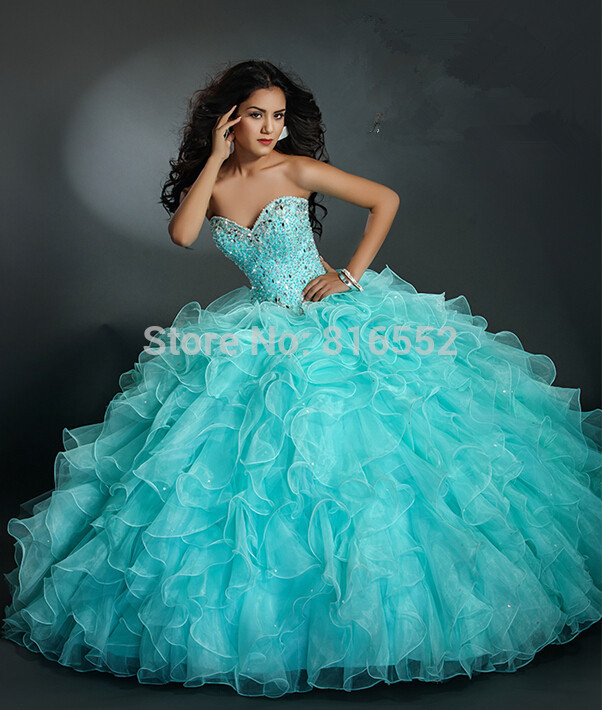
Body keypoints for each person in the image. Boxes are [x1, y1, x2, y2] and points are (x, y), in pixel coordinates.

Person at [3, 59, 601, 699]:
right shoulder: (218, 182)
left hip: (330, 319)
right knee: (246, 465)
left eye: (278, 116)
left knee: (370, 455)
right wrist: (214, 158)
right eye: (256, 115)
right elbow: (182, 233)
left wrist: (348, 275)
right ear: (228, 119)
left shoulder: (294, 169)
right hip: (257, 328)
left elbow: (385, 200)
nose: (269, 127)